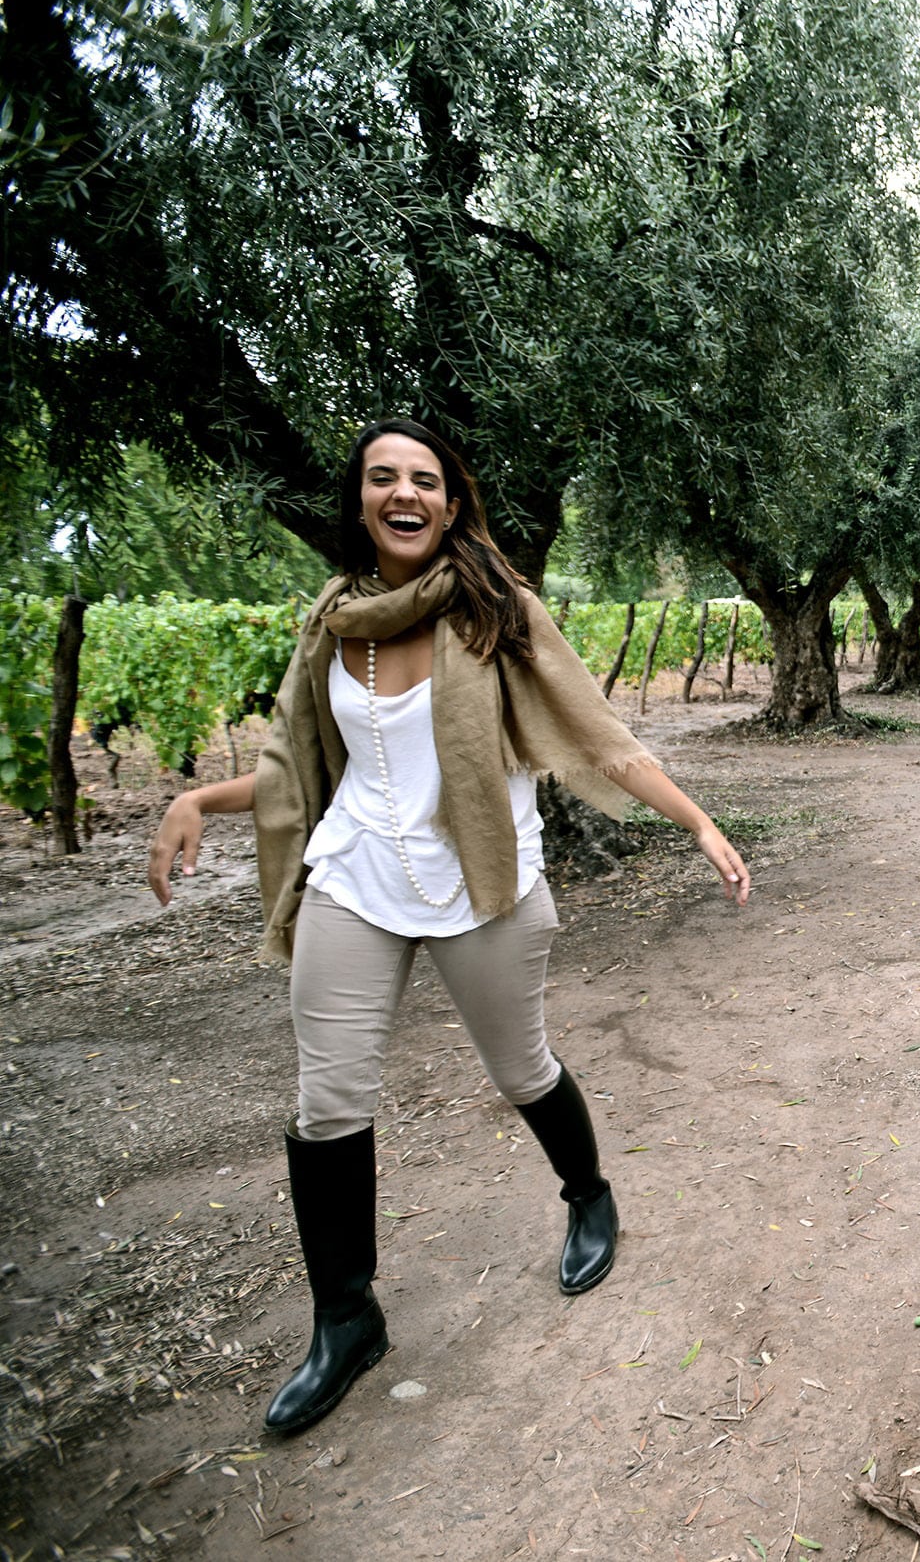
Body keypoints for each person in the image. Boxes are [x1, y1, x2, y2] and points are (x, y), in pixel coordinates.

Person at [147, 418, 753, 1436]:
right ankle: (346, 1321)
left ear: (450, 502)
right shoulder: (333, 624)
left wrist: (695, 820)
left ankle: (587, 1195)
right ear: (360, 502)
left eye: (424, 480)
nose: (405, 494)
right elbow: (301, 770)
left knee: (521, 1070)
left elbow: (598, 734)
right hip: (353, 878)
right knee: (326, 1100)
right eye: (383, 478)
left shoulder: (494, 614)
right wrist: (199, 801)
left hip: (482, 885)